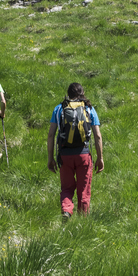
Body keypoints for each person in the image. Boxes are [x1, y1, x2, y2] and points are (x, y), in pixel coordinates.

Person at [47, 82, 104, 217]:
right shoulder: (89, 109)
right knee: (84, 190)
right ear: (82, 93)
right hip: (83, 154)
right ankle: (82, 221)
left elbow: (51, 135)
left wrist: (50, 158)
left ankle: (66, 210)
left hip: (65, 155)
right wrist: (100, 158)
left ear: (68, 94)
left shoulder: (59, 109)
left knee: (66, 188)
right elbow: (97, 136)